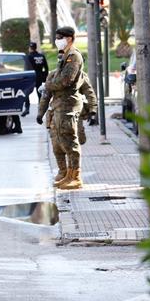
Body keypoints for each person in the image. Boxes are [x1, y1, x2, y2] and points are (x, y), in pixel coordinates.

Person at [37, 58, 97, 186]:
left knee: (72, 143)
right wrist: (40, 113)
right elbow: (45, 96)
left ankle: (73, 174)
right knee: (56, 145)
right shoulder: (53, 75)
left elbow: (89, 93)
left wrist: (92, 109)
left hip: (72, 113)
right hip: (55, 114)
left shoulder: (80, 76)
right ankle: (63, 171)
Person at [44, 26, 87, 190]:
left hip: (69, 104)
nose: (57, 40)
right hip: (61, 104)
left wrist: (48, 84)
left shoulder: (74, 57)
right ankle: (69, 174)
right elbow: (59, 79)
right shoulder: (65, 55)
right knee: (63, 139)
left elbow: (64, 80)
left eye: (60, 37)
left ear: (69, 38)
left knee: (70, 140)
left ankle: (76, 176)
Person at [23, 42, 49, 116]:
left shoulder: (29, 57)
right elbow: (46, 68)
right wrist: (44, 76)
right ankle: (41, 108)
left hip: (31, 76)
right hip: (39, 76)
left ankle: (27, 108)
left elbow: (27, 68)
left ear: (30, 48)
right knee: (39, 92)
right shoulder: (41, 56)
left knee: (26, 92)